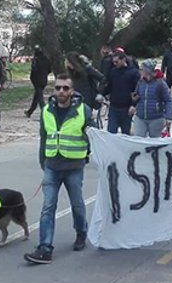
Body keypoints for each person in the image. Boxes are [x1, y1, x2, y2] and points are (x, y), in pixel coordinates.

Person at [24, 73, 95, 264]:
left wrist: (87, 154)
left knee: (77, 204)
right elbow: (43, 137)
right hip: (52, 166)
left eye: (65, 88)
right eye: (58, 88)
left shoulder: (84, 110)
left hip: (74, 166)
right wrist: (43, 161)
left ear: (72, 91)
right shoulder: (46, 110)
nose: (61, 91)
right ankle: (45, 248)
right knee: (48, 206)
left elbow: (93, 135)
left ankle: (81, 232)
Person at [130, 60, 172, 137]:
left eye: (142, 69)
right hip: (140, 117)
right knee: (138, 139)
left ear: (148, 71)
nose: (140, 72)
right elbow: (137, 95)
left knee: (155, 142)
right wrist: (133, 104)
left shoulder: (161, 84)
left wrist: (168, 117)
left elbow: (168, 101)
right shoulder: (140, 82)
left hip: (156, 118)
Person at [102, 50, 140, 134]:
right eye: (113, 62)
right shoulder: (113, 71)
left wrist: (134, 105)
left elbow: (137, 90)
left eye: (116, 62)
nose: (115, 64)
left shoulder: (133, 72)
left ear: (123, 60)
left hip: (126, 108)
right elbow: (109, 87)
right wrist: (101, 94)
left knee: (125, 133)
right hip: (114, 106)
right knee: (111, 132)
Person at [25, 45, 51, 118]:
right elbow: (49, 70)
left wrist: (33, 77)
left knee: (40, 99)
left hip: (37, 80)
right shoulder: (46, 59)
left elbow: (34, 69)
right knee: (37, 96)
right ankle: (29, 112)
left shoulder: (36, 60)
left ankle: (45, 113)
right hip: (44, 80)